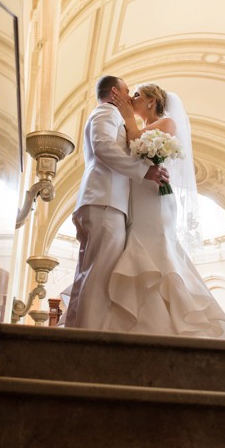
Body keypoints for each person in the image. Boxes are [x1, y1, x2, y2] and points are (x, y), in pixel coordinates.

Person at [107, 83, 225, 338]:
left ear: (152, 101)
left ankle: (175, 318)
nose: (131, 99)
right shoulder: (139, 125)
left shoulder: (167, 124)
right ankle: (146, 317)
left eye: (138, 96)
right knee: (138, 240)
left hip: (155, 195)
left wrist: (128, 117)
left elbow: (135, 143)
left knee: (157, 244)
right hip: (139, 193)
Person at [64, 75, 170, 329]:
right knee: (100, 275)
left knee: (89, 271)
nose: (130, 97)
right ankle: (88, 336)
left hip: (102, 199)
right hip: (105, 200)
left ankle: (76, 329)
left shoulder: (112, 115)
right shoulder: (108, 112)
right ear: (114, 93)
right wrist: (143, 171)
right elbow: (103, 147)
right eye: (127, 91)